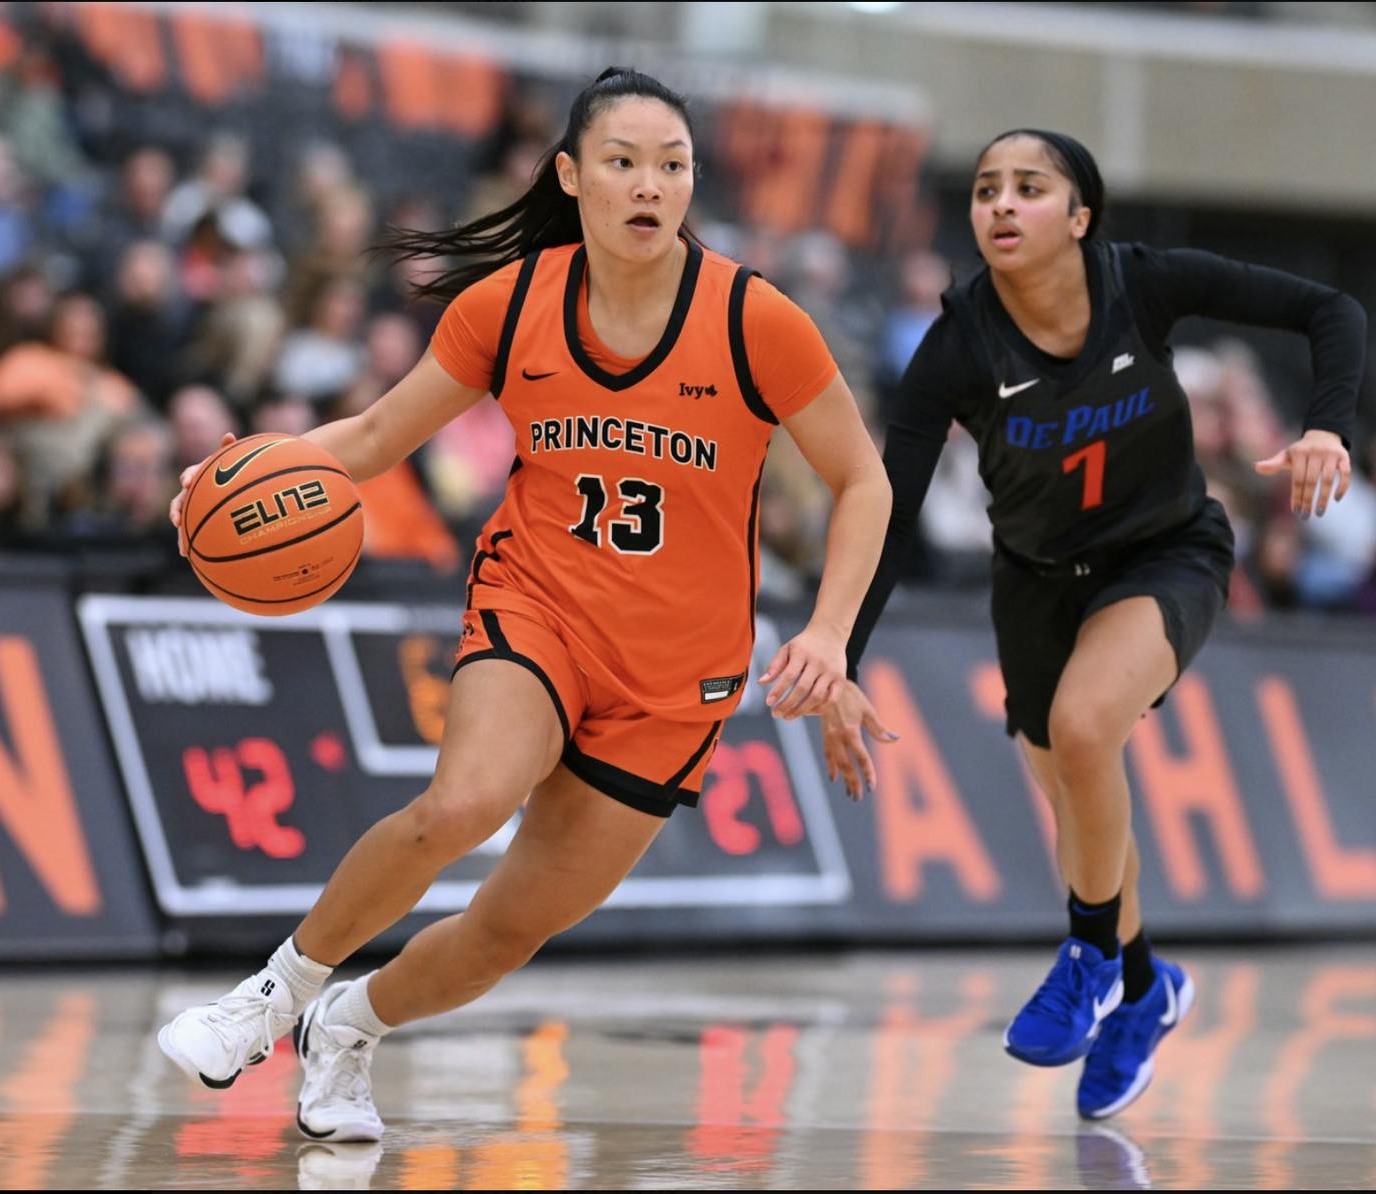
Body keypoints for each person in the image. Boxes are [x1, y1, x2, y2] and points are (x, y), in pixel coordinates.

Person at [155, 68, 891, 1143]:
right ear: (571, 176)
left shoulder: (754, 320)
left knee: (507, 930)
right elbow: (374, 436)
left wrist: (828, 634)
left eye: (673, 165)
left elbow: (862, 479)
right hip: (535, 605)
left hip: (675, 674)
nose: (650, 185)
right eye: (623, 162)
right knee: (462, 805)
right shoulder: (509, 305)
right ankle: (267, 1001)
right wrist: (234, 473)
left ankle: (348, 1026)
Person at [821, 129, 1364, 1120]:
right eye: (985, 188)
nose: (1000, 203)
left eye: (1028, 187)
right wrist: (839, 656)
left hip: (1163, 554)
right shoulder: (957, 345)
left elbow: (1331, 309)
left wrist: (1326, 423)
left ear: (1078, 217)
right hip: (1034, 585)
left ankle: (1087, 958)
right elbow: (889, 513)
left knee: (1081, 730)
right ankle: (1144, 988)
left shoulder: (1141, 283)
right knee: (1081, 804)